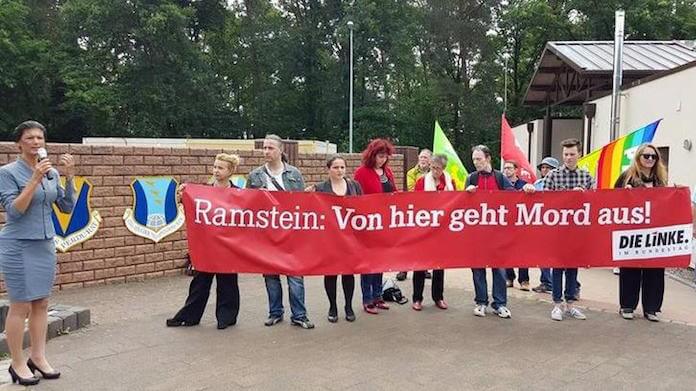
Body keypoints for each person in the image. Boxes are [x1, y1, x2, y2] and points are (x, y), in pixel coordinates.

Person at [0, 121, 76, 385]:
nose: (36, 142)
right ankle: (18, 363)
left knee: (41, 302)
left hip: (44, 243)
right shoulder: (8, 172)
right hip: (18, 244)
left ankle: (38, 357)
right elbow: (14, 210)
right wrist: (34, 179)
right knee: (20, 304)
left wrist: (68, 176)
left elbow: (66, 207)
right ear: (18, 143)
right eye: (30, 138)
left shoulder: (51, 172)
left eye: (40, 138)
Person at [166, 153, 242, 330]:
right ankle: (189, 316)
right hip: (207, 245)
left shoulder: (238, 193)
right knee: (200, 283)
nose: (216, 171)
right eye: (215, 167)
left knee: (228, 282)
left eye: (220, 168)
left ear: (230, 171)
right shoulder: (202, 191)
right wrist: (183, 194)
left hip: (228, 246)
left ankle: (226, 317)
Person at [246, 134, 314, 329]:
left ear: (280, 150)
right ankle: (275, 312)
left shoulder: (294, 173)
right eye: (265, 148)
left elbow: (301, 204)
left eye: (270, 148)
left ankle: (299, 314)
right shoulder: (255, 176)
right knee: (270, 276)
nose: (266, 151)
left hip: (290, 232)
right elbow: (247, 206)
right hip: (267, 233)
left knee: (295, 275)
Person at [466, 145, 534, 318]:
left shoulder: (500, 177)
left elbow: (513, 198)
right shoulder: (471, 178)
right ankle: (481, 302)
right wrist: (466, 195)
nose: (476, 162)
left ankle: (500, 304)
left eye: (478, 159)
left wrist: (525, 191)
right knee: (478, 269)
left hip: (498, 235)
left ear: (488, 158)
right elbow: (462, 206)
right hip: (477, 234)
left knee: (499, 269)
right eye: (474, 159)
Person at [541, 138, 594, 321]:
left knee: (572, 268)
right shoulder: (553, 176)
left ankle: (570, 304)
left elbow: (596, 203)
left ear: (579, 154)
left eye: (572, 154)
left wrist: (584, 196)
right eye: (565, 154)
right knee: (557, 267)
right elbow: (544, 201)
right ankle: (557, 304)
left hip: (577, 232)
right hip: (558, 231)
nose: (568, 158)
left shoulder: (586, 177)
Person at [615, 143, 668, 322]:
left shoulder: (660, 180)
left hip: (654, 233)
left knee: (654, 269)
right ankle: (627, 306)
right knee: (630, 268)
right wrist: (625, 194)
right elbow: (612, 200)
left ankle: (651, 308)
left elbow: (666, 203)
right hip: (632, 232)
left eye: (653, 157)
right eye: (646, 156)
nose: (650, 160)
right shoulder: (627, 177)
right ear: (638, 158)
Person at [310, 155, 362, 323]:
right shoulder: (320, 188)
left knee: (348, 273)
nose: (339, 171)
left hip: (350, 238)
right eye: (335, 167)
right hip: (329, 239)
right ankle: (332, 306)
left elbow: (364, 207)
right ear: (328, 169)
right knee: (331, 274)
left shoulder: (354, 186)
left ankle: (348, 306)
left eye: (342, 167)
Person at [354, 138, 397, 314]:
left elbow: (394, 193)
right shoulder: (362, 173)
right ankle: (367, 299)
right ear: (372, 155)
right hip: (368, 223)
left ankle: (378, 296)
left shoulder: (388, 172)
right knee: (368, 264)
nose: (383, 159)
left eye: (385, 156)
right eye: (380, 156)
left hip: (384, 224)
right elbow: (358, 198)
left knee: (380, 262)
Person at [410, 154, 453, 311]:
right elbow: (415, 203)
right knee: (420, 265)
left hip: (441, 230)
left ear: (444, 169)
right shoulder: (422, 181)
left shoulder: (449, 182)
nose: (435, 171)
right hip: (424, 228)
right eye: (433, 167)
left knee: (439, 266)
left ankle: (438, 297)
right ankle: (417, 298)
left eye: (438, 168)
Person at [398, 149, 433, 281]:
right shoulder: (412, 173)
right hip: (415, 209)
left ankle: (423, 268)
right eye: (421, 157)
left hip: (429, 210)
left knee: (425, 241)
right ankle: (404, 269)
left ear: (430, 160)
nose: (423, 160)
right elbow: (413, 189)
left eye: (425, 157)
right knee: (410, 240)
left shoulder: (434, 172)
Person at [531, 157, 559, 293]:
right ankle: (546, 282)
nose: (544, 170)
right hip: (541, 223)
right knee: (542, 254)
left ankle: (570, 286)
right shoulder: (537, 184)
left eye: (548, 167)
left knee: (560, 256)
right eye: (542, 167)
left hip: (557, 224)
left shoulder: (560, 182)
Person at [503, 160, 529, 290]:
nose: (506, 170)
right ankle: (509, 277)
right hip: (506, 221)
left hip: (521, 222)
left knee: (523, 251)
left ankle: (524, 280)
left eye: (509, 168)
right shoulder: (501, 184)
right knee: (507, 250)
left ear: (516, 170)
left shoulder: (524, 184)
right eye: (505, 168)